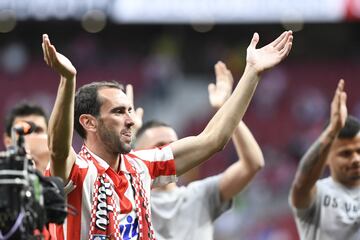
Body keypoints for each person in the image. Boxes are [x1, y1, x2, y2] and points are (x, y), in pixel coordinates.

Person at [42, 30, 293, 240]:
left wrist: (251, 73)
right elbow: (58, 148)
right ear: (89, 122)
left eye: (130, 110)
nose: (131, 120)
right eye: (119, 111)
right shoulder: (77, 169)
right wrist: (67, 80)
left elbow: (212, 140)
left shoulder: (142, 167)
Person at [134, 62, 264, 240]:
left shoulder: (200, 195)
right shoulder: (125, 201)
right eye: (158, 146)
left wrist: (226, 109)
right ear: (138, 154)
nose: (167, 151)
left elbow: (252, 164)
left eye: (172, 145)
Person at [289, 79, 360, 240]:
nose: (355, 159)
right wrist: (330, 133)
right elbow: (302, 184)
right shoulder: (318, 194)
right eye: (345, 153)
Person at [3, 102, 50, 173]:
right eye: (22, 131)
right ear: (8, 141)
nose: (31, 137)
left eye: (38, 131)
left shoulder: (61, 180)